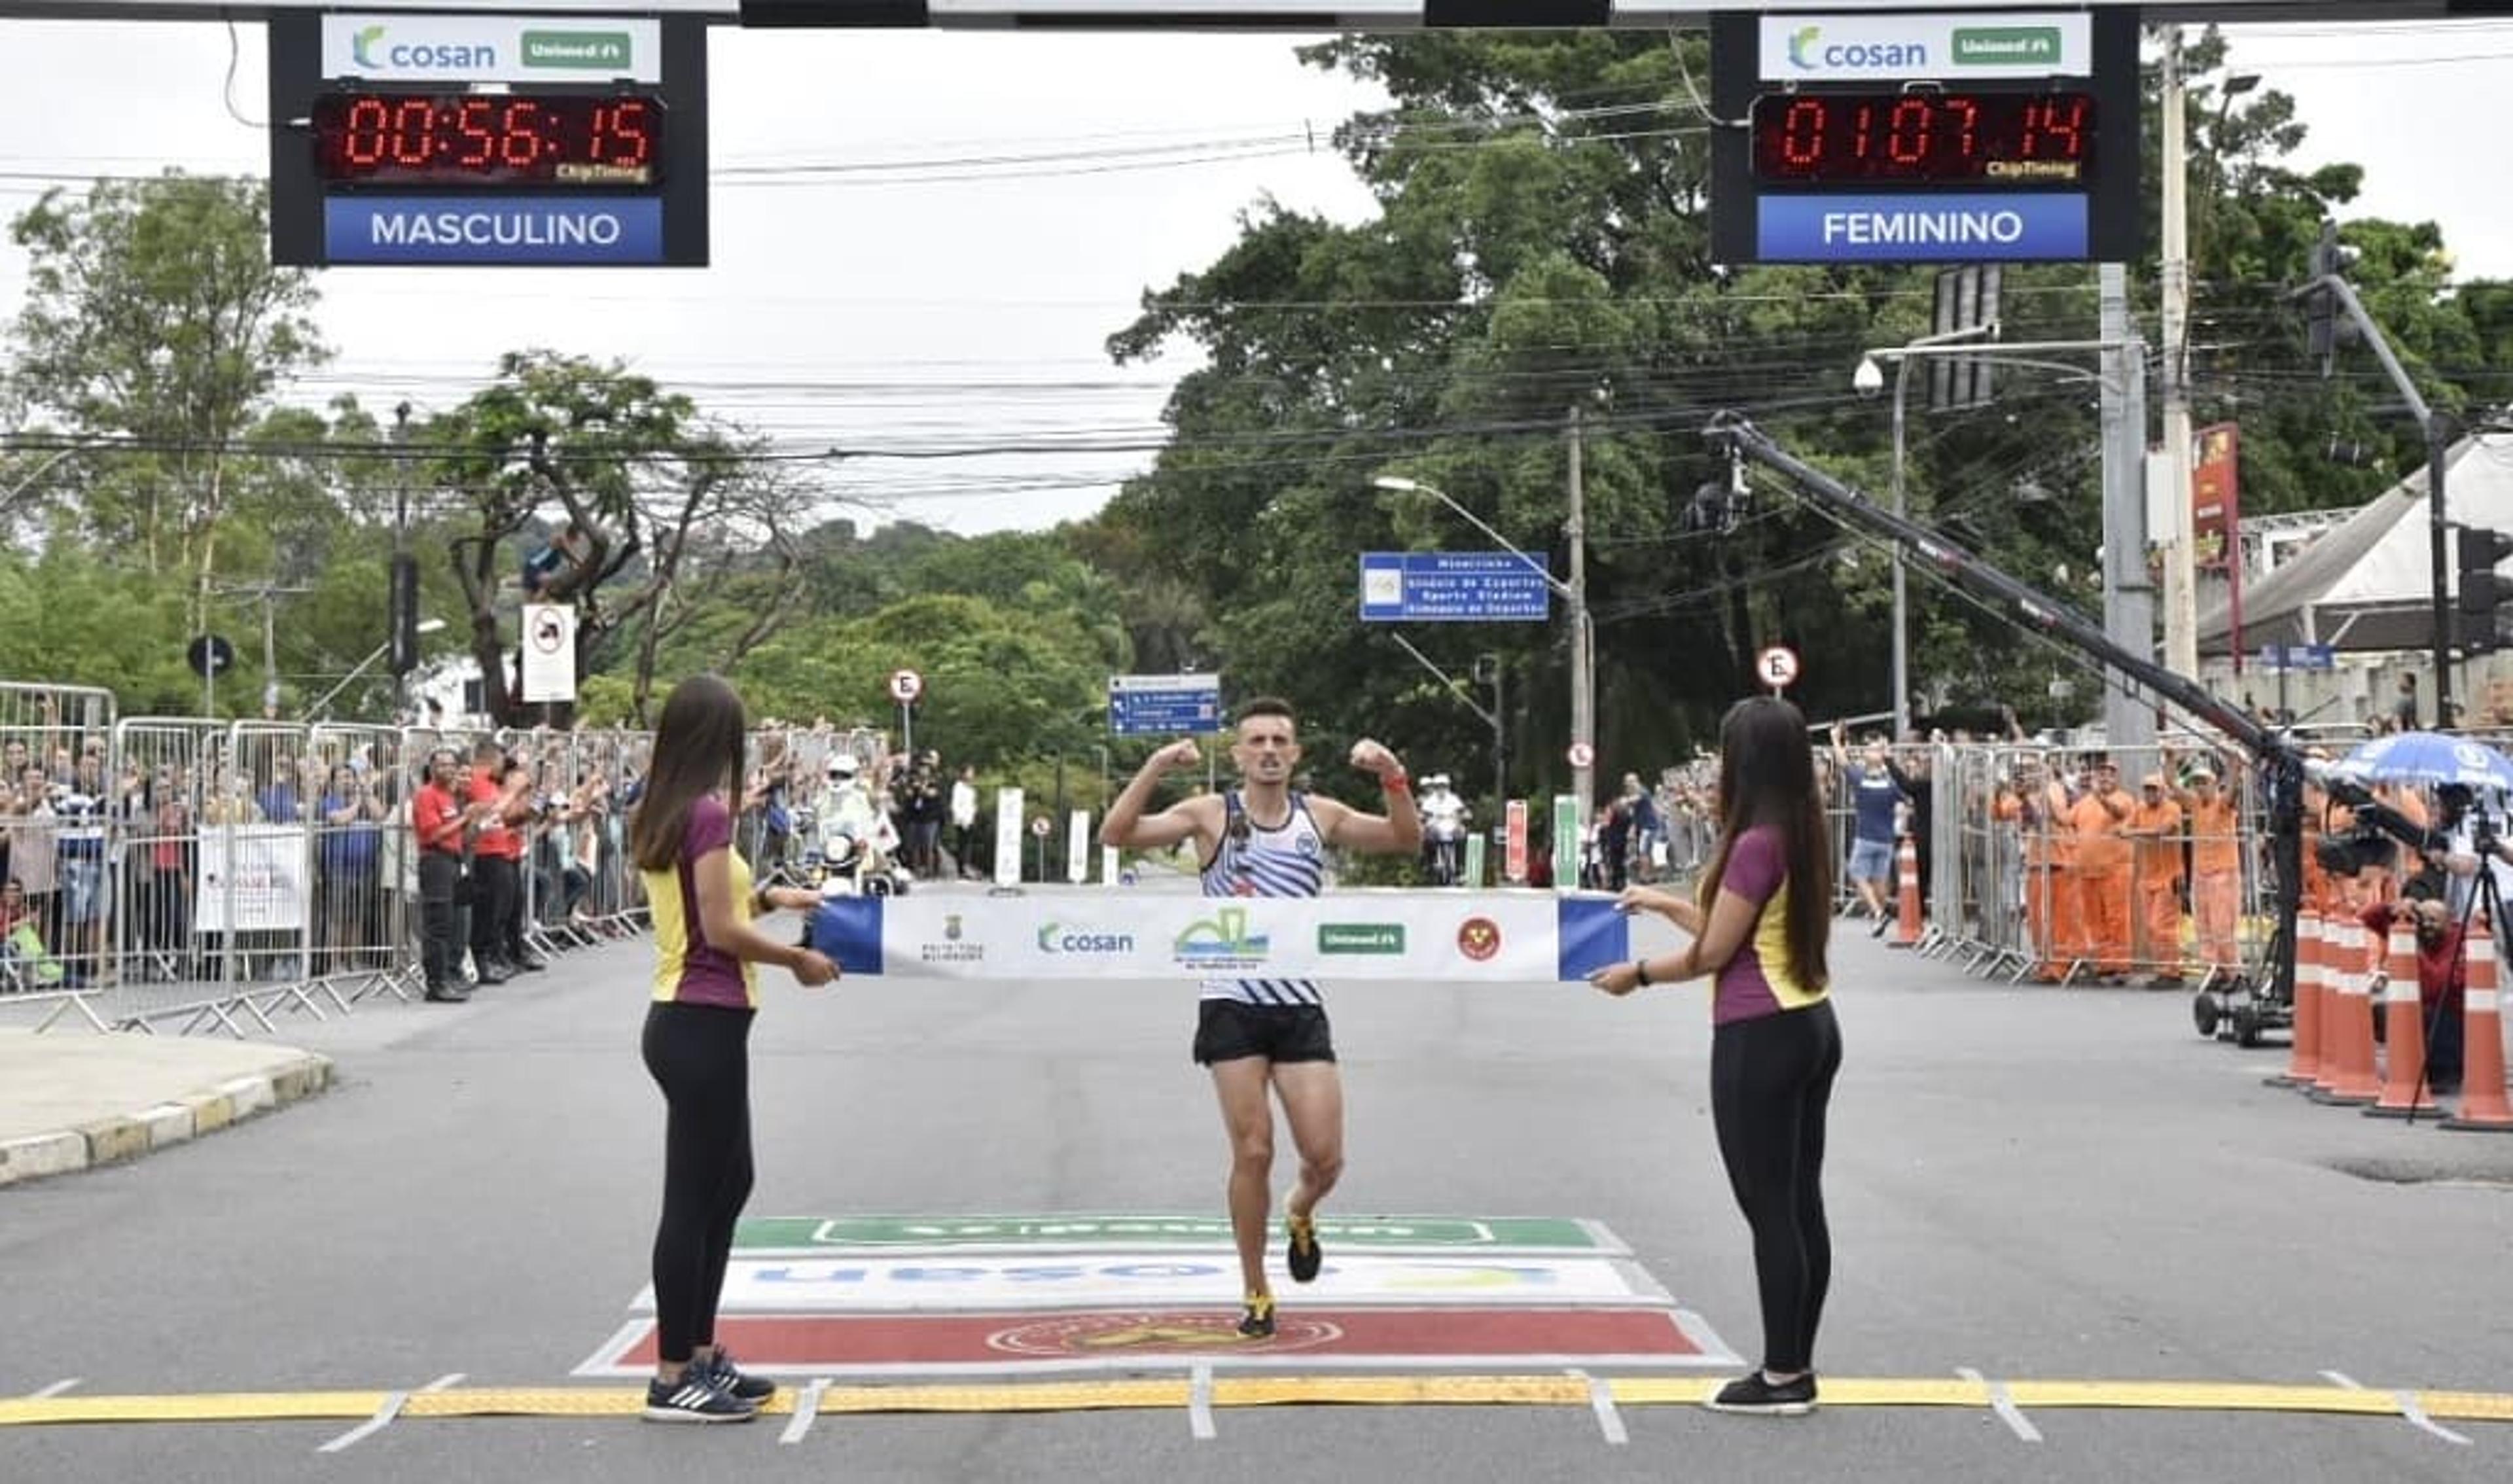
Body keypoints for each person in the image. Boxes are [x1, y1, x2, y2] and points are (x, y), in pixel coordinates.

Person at [1097, 698, 1419, 1340]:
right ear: (1239, 754)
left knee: (1325, 1158)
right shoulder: (1209, 814)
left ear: (1295, 754)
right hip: (1230, 1000)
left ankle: (1301, 1211)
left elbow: (1404, 840)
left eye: (1280, 740)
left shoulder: (1317, 816)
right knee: (1253, 1148)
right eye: (1257, 741)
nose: (1269, 750)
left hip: (1298, 1004)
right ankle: (1256, 1288)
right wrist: (1158, 765)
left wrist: (1393, 776)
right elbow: (1117, 833)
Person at [1592, 695, 1842, 1417]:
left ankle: (1782, 1374)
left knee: (1768, 1209)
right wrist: (1665, 903)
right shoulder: (1797, 833)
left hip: (1757, 1035)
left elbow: (1713, 956)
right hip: (1810, 1022)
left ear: (1744, 762)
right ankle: (1797, 1362)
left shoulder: (1755, 842)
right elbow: (1734, 930)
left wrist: (1635, 977)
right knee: (1800, 1202)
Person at [630, 673, 838, 1424]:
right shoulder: (708, 815)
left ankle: (704, 1352)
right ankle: (671, 1373)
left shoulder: (665, 811)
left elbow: (706, 910)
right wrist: (798, 959)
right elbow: (717, 934)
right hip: (700, 1019)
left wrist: (771, 901)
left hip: (691, 1020)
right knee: (692, 1200)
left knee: (727, 1186)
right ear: (717, 741)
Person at [1828, 724, 1902, 934]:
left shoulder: (1861, 778)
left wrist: (1835, 740)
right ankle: (1880, 913)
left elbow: (1843, 762)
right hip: (1886, 839)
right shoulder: (1891, 782)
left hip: (1865, 837)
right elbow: (1906, 798)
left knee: (1856, 873)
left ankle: (1878, 912)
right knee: (1879, 879)